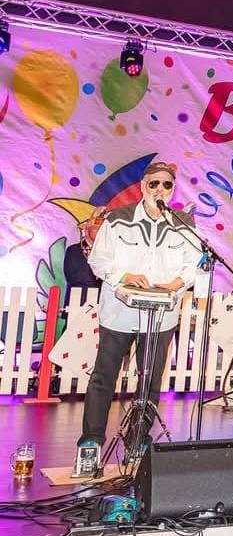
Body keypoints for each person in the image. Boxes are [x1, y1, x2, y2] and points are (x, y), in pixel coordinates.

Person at [73, 162, 200, 477]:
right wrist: (125, 276)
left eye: (166, 185)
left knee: (150, 383)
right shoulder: (118, 219)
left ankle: (137, 443)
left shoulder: (183, 223)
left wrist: (177, 283)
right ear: (143, 186)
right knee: (104, 378)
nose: (159, 190)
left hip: (161, 317)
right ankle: (90, 444)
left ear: (172, 190)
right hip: (120, 314)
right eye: (154, 183)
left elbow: (192, 264)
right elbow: (99, 260)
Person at [64, 207, 105, 303]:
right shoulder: (74, 250)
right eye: (97, 228)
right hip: (77, 303)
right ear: (86, 229)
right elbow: (76, 278)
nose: (101, 232)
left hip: (102, 305)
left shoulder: (109, 253)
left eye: (103, 229)